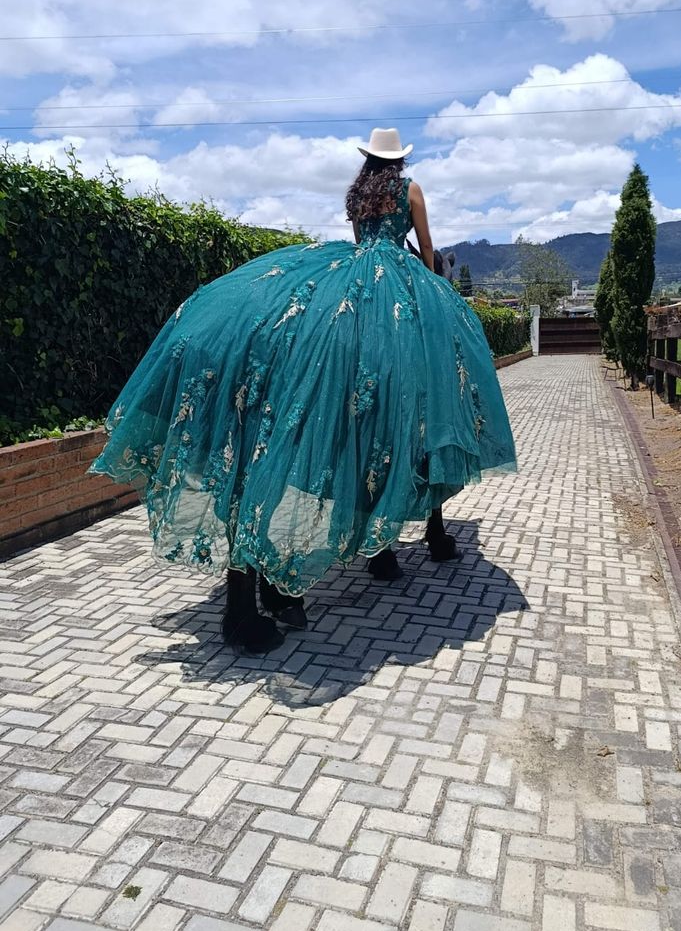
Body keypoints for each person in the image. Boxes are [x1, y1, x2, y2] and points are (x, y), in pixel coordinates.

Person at [89, 127, 517, 653]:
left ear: (368, 159)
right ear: (401, 160)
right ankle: (381, 534)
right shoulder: (411, 191)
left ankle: (283, 575)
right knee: (430, 378)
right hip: (396, 285)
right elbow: (428, 252)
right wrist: (432, 299)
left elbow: (364, 244)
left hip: (349, 275)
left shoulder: (357, 194)